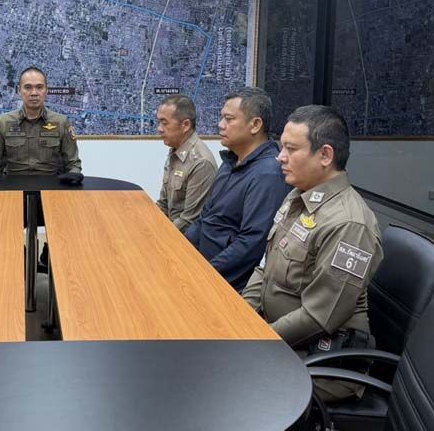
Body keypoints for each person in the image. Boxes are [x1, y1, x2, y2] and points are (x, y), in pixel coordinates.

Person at [241, 105, 383, 402]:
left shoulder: (349, 224)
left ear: (325, 155)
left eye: (291, 149)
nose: (280, 157)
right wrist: (241, 318)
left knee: (224, 380)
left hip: (321, 359)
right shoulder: (298, 197)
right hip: (281, 340)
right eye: (282, 147)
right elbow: (265, 269)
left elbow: (319, 317)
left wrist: (257, 340)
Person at [184, 88, 290, 290]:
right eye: (222, 117)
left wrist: (203, 273)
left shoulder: (268, 174)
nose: (220, 124)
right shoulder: (230, 163)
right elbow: (206, 217)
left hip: (226, 283)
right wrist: (180, 251)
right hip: (202, 267)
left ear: (255, 125)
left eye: (229, 119)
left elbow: (251, 243)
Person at [0, 66, 82, 176]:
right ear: (19, 90)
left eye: (39, 87)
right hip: (12, 184)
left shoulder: (61, 122)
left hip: (51, 185)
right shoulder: (3, 122)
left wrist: (72, 179)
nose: (34, 93)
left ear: (46, 91)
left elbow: (73, 164)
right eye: (28, 87)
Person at [155, 94, 217, 231]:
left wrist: (157, 235)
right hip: (171, 229)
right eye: (159, 122)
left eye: (164, 123)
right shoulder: (175, 151)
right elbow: (164, 204)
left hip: (184, 238)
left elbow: (189, 221)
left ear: (185, 125)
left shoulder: (201, 162)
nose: (159, 128)